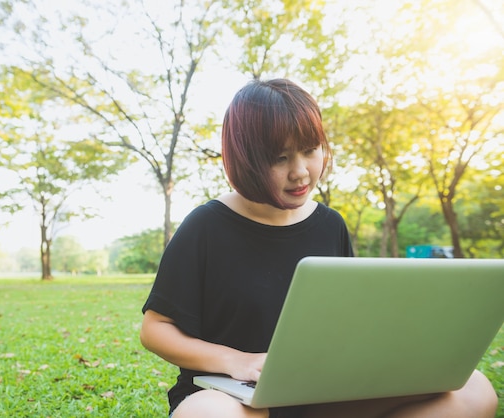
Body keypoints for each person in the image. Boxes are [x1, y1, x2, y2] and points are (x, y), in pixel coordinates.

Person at [140, 79, 498, 418]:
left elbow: (350, 324)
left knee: (474, 391)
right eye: (280, 158)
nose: (301, 173)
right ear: (246, 158)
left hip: (321, 399)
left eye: (310, 151)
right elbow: (155, 329)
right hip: (233, 397)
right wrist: (238, 361)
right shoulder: (206, 225)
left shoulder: (331, 225)